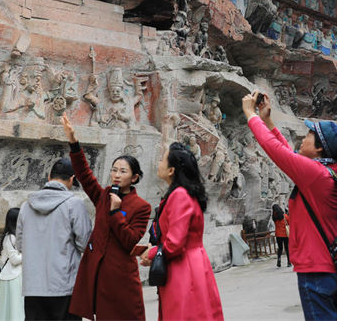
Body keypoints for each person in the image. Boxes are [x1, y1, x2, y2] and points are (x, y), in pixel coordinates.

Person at [243, 91, 337, 321]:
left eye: (309, 135)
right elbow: (289, 154)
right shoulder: (329, 172)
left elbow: (278, 152)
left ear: (320, 148)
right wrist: (267, 120)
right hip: (336, 267)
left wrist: (251, 114)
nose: (304, 138)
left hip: (317, 270)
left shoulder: (316, 175)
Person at [61, 115, 152, 320]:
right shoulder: (104, 195)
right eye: (114, 170)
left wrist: (115, 212)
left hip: (121, 276)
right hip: (97, 273)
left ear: (134, 177)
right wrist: (74, 143)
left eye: (123, 171)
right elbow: (84, 175)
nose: (117, 175)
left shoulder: (142, 207)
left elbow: (129, 240)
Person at [139, 142, 223, 321]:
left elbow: (175, 244)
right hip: (192, 263)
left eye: (162, 160)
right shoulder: (183, 193)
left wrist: (152, 252)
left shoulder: (179, 195)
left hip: (184, 267)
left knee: (184, 314)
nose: (158, 164)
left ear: (171, 170)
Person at [17, 157, 92, 320]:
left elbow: (20, 244)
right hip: (64, 285)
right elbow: (85, 244)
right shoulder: (74, 205)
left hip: (33, 286)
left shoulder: (26, 206)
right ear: (72, 179)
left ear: (49, 176)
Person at [0, 208, 23, 321]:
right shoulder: (10, 237)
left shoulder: (15, 236)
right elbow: (15, 259)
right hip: (13, 277)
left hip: (16, 276)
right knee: (15, 308)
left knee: (16, 308)